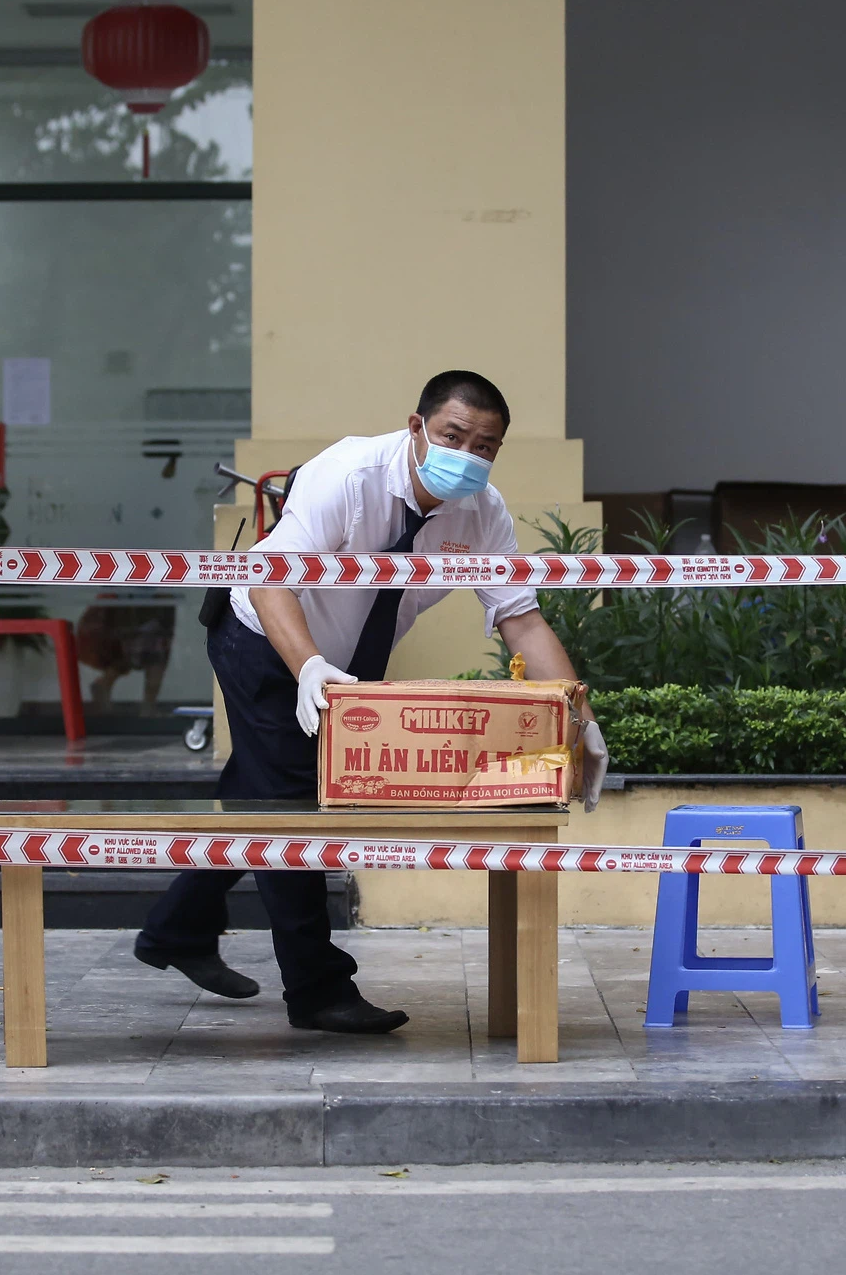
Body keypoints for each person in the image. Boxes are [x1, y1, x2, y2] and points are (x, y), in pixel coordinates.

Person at [135, 370, 609, 1034]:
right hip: (265, 639)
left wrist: (578, 717)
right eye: (453, 436)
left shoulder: (483, 513)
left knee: (263, 790)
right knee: (294, 802)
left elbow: (522, 620)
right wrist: (307, 669)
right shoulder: (349, 475)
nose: (468, 456)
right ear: (416, 427)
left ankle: (175, 929)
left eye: (486, 446)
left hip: (346, 660)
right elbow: (272, 580)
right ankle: (317, 988)